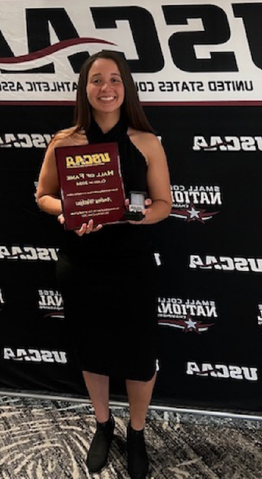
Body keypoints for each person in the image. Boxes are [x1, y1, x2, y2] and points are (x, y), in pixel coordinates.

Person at [36, 50, 172, 479]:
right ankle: (102, 424)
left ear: (126, 87)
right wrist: (66, 213)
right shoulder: (65, 140)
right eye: (97, 80)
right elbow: (43, 195)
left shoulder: (147, 142)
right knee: (91, 351)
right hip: (82, 263)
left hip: (131, 264)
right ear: (84, 88)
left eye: (115, 79)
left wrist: (133, 214)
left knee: (138, 356)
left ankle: (136, 432)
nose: (106, 88)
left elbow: (164, 205)